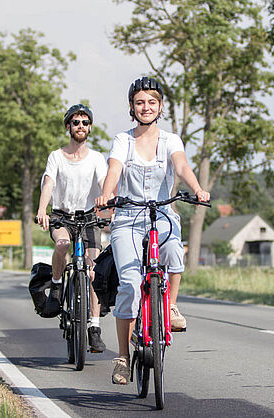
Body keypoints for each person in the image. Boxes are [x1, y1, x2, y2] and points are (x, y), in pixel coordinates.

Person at [95, 77, 210, 384]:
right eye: (139, 102)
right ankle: (122, 356)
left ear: (160, 107)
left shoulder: (171, 140)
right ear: (132, 107)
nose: (145, 107)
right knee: (130, 286)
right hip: (128, 219)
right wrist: (107, 193)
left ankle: (170, 306)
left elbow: (182, 166)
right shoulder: (123, 140)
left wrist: (197, 188)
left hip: (161, 214)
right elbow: (114, 170)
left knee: (173, 249)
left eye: (152, 102)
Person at [36, 104, 108, 353]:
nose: (81, 126)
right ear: (68, 126)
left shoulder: (97, 158)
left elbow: (103, 184)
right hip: (62, 216)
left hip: (88, 218)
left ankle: (94, 327)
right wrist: (42, 210)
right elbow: (49, 183)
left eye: (85, 123)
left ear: (89, 128)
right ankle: (56, 284)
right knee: (62, 244)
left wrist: (109, 204)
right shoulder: (57, 156)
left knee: (93, 271)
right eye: (76, 122)